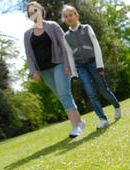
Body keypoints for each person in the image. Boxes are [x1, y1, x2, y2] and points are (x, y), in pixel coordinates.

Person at [24, 1, 86, 138]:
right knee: (62, 96)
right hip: (44, 70)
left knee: (64, 94)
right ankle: (80, 121)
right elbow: (29, 54)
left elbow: (65, 45)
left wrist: (67, 64)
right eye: (30, 11)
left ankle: (75, 127)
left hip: (59, 65)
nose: (33, 13)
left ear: (41, 11)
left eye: (35, 10)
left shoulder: (52, 26)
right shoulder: (27, 34)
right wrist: (33, 71)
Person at [61, 4, 122, 129]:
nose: (69, 18)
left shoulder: (86, 28)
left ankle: (117, 106)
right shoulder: (66, 36)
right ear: (64, 19)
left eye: (71, 15)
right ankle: (102, 119)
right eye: (66, 16)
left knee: (104, 90)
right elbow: (70, 55)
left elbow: (96, 45)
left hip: (93, 63)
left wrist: (100, 65)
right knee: (90, 93)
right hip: (80, 67)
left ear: (76, 15)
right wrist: (74, 73)